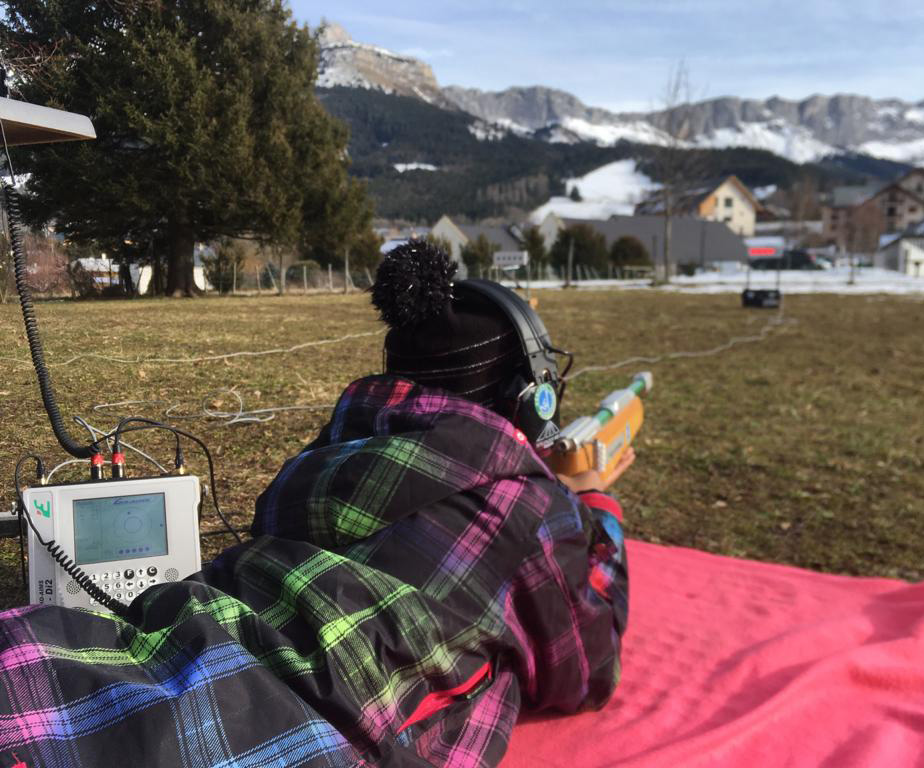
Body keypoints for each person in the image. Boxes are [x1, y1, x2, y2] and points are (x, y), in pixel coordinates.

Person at [0, 242, 630, 768]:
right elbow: (585, 666)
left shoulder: (309, 467)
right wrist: (596, 505)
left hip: (107, 655)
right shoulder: (528, 507)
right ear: (528, 398)